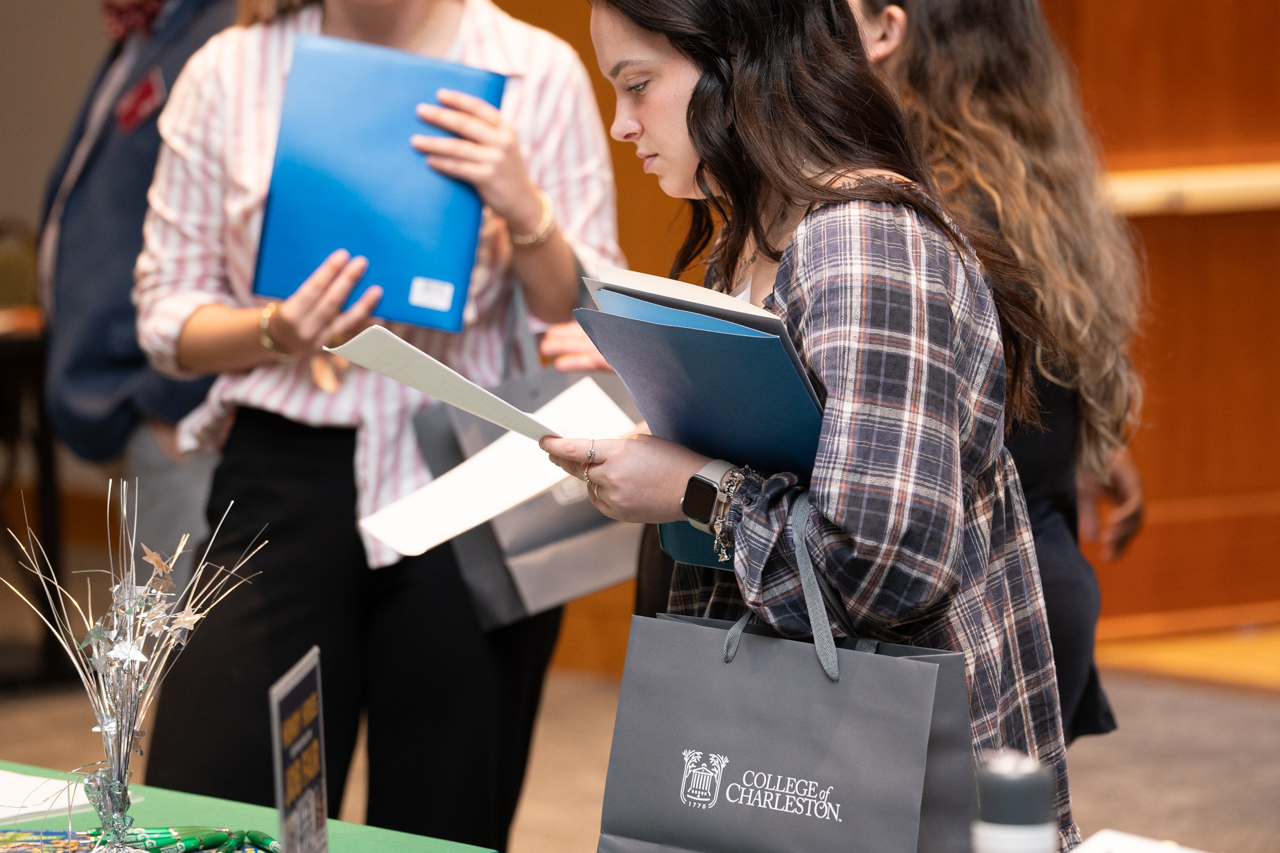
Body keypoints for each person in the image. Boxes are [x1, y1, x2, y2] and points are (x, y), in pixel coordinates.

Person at [543, 0, 1081, 846]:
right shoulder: (757, 233)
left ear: (737, 61)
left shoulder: (861, 243)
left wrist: (692, 488)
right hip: (783, 735)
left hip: (879, 755)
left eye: (638, 85)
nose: (621, 124)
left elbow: (888, 567)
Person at [131, 0, 621, 848]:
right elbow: (163, 316)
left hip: (474, 476)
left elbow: (585, 316)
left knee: (445, 816)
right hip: (281, 474)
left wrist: (525, 211)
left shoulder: (535, 70)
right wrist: (273, 331)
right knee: (207, 808)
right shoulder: (231, 69)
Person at [854, 0, 1145, 743]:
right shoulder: (1027, 188)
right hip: (1044, 592)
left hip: (972, 622)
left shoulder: (924, 218)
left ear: (888, 30)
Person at [40, 0, 234, 584]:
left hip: (176, 412)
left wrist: (170, 400)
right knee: (149, 647)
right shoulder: (148, 36)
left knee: (167, 652)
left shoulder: (221, 37)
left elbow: (234, 234)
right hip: (136, 402)